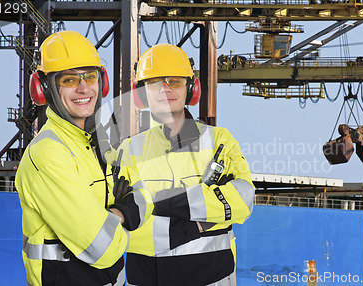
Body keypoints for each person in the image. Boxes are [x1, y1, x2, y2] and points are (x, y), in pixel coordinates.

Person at [15, 30, 153, 286]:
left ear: (103, 82)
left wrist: (115, 216)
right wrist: (124, 213)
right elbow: (102, 248)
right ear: (43, 88)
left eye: (90, 76)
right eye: (69, 79)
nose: (83, 88)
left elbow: (146, 196)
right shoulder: (48, 153)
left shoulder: (102, 143)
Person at [117, 43, 255, 285]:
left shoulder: (219, 141)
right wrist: (200, 220)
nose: (165, 90)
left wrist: (170, 203)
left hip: (212, 278)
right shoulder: (129, 150)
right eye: (154, 83)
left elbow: (243, 200)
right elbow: (120, 220)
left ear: (192, 88)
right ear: (140, 94)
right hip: (148, 278)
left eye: (175, 81)